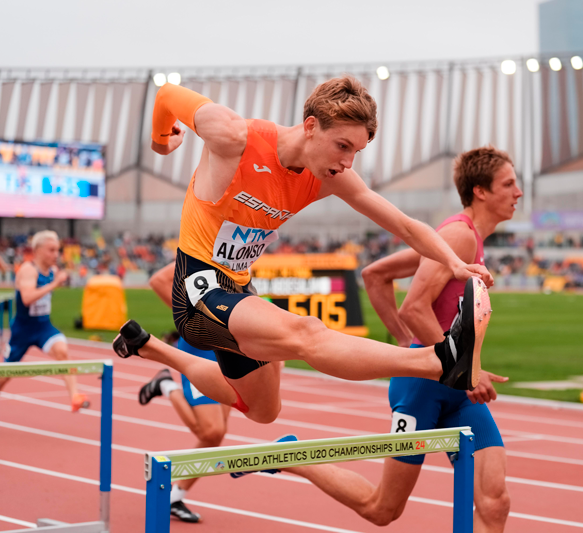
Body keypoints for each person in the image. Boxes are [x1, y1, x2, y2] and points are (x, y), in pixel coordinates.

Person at [113, 76, 493, 424]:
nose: (347, 162)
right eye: (342, 146)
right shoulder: (233, 136)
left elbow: (404, 225)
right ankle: (438, 360)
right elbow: (166, 95)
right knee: (306, 331)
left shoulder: (330, 176)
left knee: (263, 410)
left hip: (239, 288)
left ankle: (153, 351)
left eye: (356, 151)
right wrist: (161, 143)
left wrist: (454, 263)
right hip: (198, 290)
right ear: (311, 126)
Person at [280, 147, 517, 532]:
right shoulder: (458, 235)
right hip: (424, 388)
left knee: (495, 503)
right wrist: (454, 364)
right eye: (508, 184)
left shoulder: (464, 237)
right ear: (481, 191)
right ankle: (295, 457)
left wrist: (411, 342)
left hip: (456, 388)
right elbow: (414, 306)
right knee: (383, 509)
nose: (518, 192)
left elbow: (375, 275)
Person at [137, 262, 231, 523]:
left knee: (218, 432)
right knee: (211, 432)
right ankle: (166, 386)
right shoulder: (203, 252)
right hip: (200, 349)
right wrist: (193, 318)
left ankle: (175, 496)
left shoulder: (245, 253)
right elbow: (158, 280)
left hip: (227, 348)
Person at [0, 231, 89, 412]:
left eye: (57, 250)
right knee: (5, 374)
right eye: (51, 250)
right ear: (37, 250)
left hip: (44, 327)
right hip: (23, 330)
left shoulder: (53, 271)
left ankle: (74, 396)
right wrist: (54, 284)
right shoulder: (28, 270)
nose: (56, 254)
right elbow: (27, 298)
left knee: (62, 352)